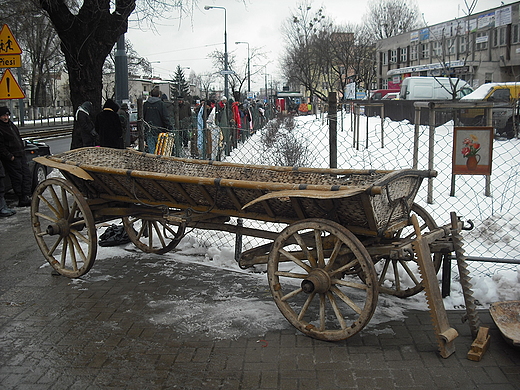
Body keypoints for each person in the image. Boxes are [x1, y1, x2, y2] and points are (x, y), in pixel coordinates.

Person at [0, 106, 32, 207]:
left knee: (26, 175)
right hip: (12, 157)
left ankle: (27, 196)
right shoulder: (1, 128)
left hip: (20, 154)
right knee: (18, 178)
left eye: (7, 115)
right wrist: (9, 156)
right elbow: (1, 146)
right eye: (3, 116)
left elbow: (17, 138)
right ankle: (21, 198)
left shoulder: (11, 125)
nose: (6, 117)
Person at [143, 87, 172, 154]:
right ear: (159, 95)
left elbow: (142, 117)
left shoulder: (146, 104)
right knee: (160, 148)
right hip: (160, 130)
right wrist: (169, 128)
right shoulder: (161, 104)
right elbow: (165, 117)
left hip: (149, 129)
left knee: (151, 148)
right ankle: (158, 161)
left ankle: (152, 161)